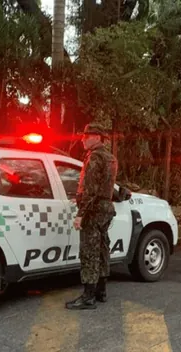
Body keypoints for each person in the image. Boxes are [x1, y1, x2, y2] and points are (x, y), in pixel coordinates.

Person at [66, 123, 118, 310]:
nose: (83, 139)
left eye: (86, 136)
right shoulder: (110, 158)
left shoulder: (94, 158)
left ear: (96, 137)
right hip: (105, 209)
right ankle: (101, 291)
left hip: (93, 210)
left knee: (89, 252)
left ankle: (88, 297)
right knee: (103, 249)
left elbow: (90, 189)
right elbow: (108, 186)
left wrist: (81, 214)